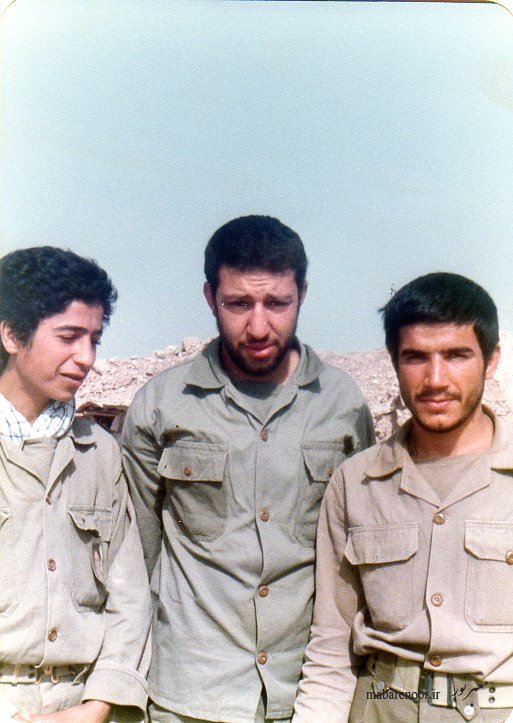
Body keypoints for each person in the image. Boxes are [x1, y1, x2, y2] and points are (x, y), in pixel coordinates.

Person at [122, 215, 374, 723]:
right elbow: (135, 559)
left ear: (302, 295)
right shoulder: (160, 405)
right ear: (209, 297)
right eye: (238, 304)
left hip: (306, 695)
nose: (258, 327)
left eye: (276, 303)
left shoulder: (343, 404)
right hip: (188, 699)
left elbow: (357, 552)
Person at [294, 271, 513, 722]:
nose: (436, 379)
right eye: (416, 357)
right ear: (394, 362)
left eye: (457, 355)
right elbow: (331, 646)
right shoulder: (355, 483)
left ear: (491, 360)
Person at [0, 247, 151, 723]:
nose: (86, 358)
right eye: (68, 337)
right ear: (11, 334)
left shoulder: (100, 453)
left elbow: (129, 597)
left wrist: (98, 705)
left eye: (94, 339)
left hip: (82, 706)